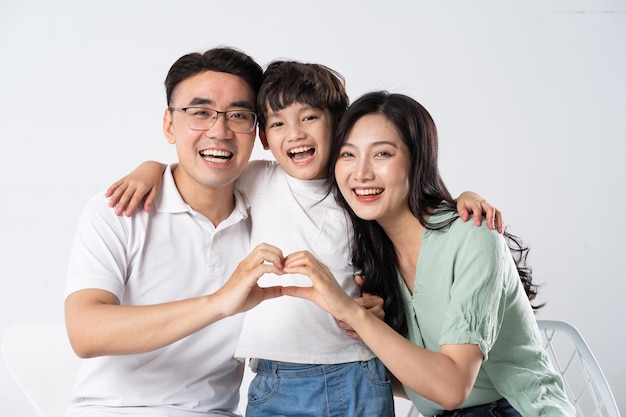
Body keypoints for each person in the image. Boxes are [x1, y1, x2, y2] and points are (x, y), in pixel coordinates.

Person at [106, 63, 504, 417]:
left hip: (360, 370)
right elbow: (202, 166)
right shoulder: (257, 178)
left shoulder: (357, 189)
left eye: (309, 117)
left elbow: (410, 204)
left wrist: (462, 199)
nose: (294, 133)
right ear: (263, 137)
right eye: (278, 123)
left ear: (339, 123)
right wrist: (151, 169)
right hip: (277, 376)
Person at [280, 91, 576, 416]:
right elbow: (411, 382)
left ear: (417, 159)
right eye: (348, 155)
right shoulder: (372, 255)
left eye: (382, 154)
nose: (361, 173)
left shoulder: (472, 235)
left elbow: (451, 388)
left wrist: (356, 316)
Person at [63, 47, 289, 417]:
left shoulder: (271, 218)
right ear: (169, 125)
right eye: (200, 113)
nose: (220, 131)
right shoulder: (118, 210)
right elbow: (85, 331)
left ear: (257, 131)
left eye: (238, 115)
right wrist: (218, 302)